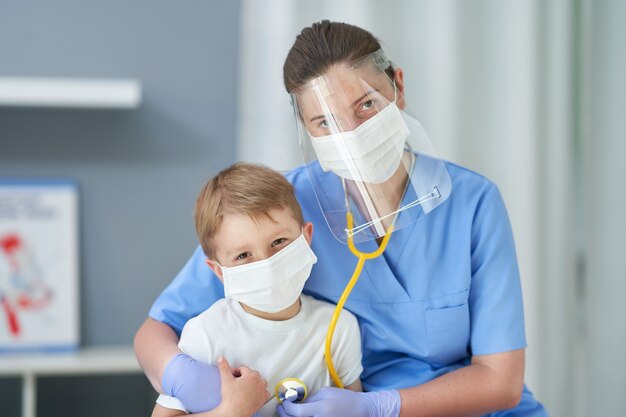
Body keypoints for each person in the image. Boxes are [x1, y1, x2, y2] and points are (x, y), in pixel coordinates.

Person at [135, 20, 549, 417]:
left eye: (366, 105)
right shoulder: (281, 209)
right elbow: (156, 332)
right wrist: (196, 386)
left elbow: (502, 382)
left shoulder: (473, 202)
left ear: (398, 87)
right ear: (306, 127)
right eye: (325, 121)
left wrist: (379, 408)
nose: (351, 134)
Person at [151, 162, 363, 417]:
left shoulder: (338, 328)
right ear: (219, 271)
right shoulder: (206, 335)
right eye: (243, 255)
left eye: (278, 241)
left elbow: (356, 407)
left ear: (306, 237)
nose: (267, 263)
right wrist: (230, 411)